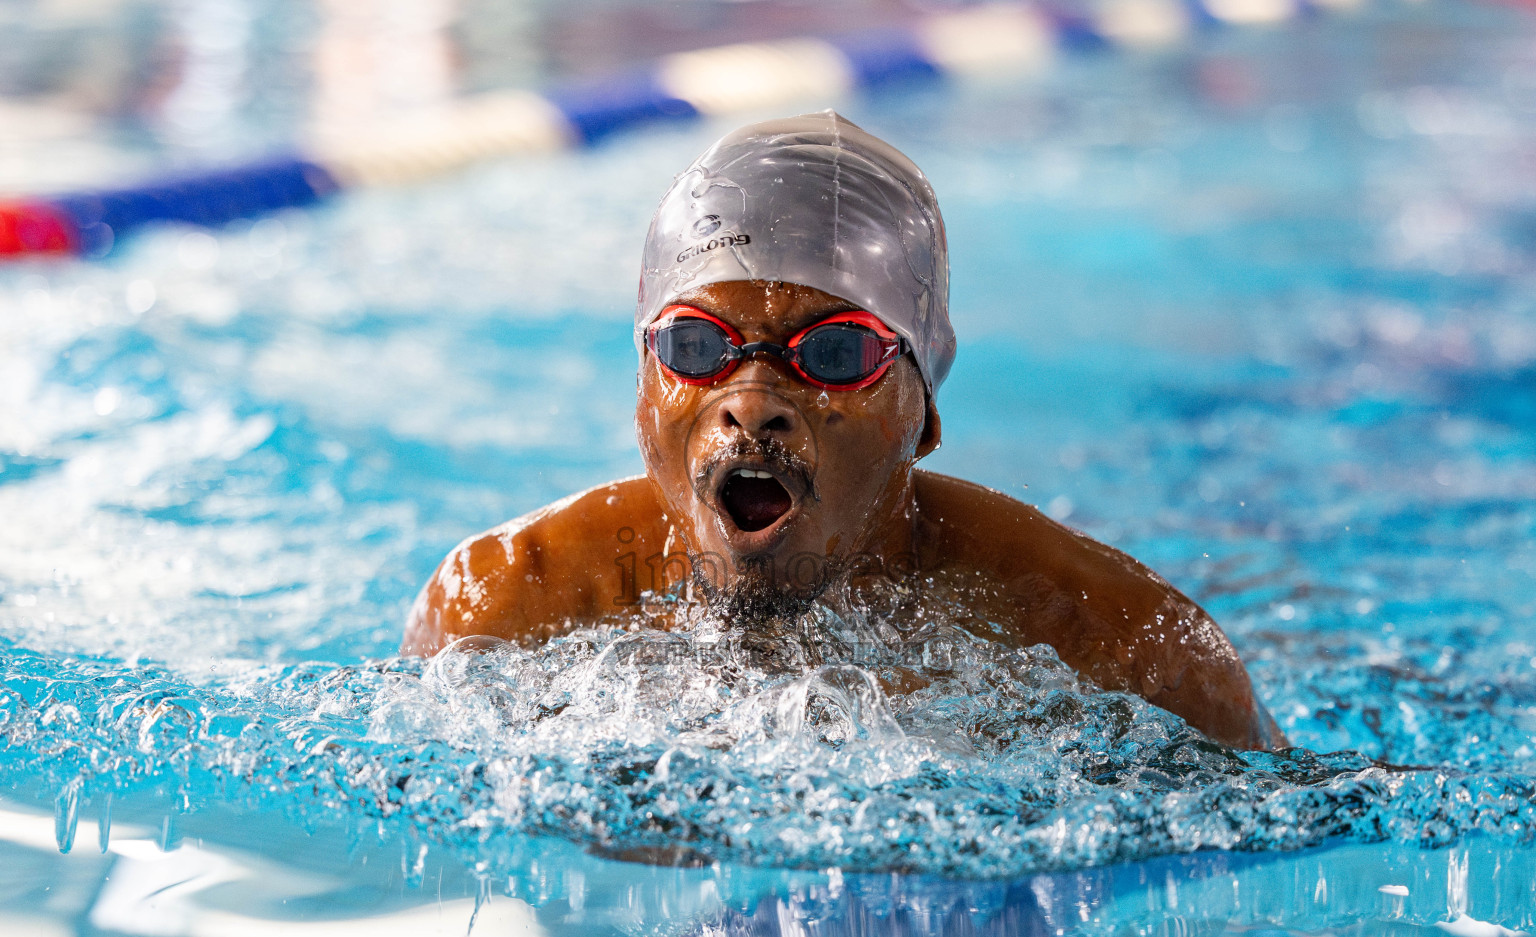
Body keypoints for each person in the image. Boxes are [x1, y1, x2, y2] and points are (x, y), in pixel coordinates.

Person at [402, 111, 1285, 751]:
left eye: (832, 353)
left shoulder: (1126, 651)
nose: (752, 400)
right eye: (694, 344)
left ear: (923, 409)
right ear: (640, 387)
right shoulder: (503, 610)